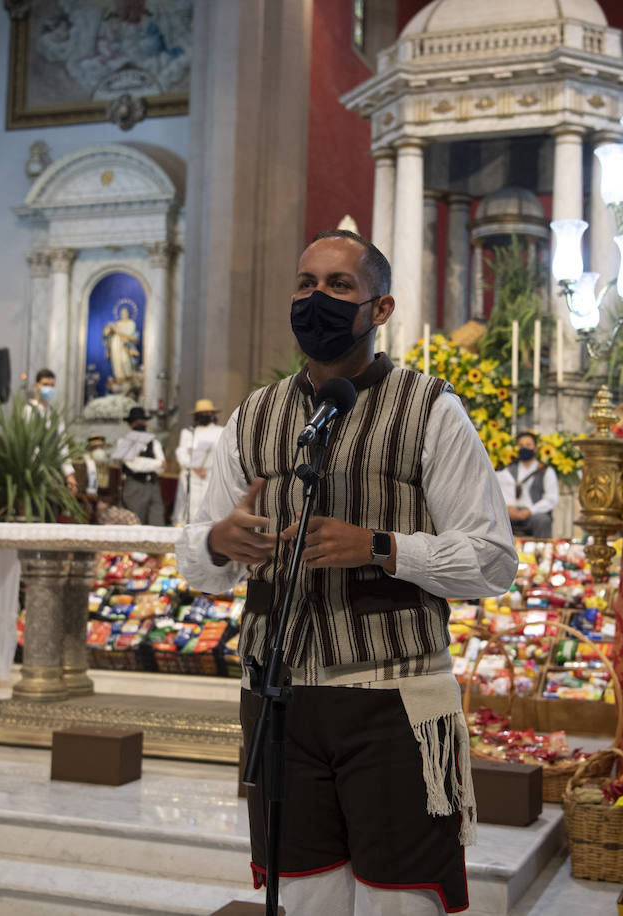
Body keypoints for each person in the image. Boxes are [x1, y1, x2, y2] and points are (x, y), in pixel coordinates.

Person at [177, 230, 516, 915]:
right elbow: (200, 566)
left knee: (400, 905)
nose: (316, 299)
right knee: (302, 901)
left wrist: (384, 548)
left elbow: (492, 560)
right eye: (306, 284)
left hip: (398, 700)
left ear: (380, 309)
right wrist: (218, 541)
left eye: (338, 287)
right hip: (280, 703)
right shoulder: (255, 416)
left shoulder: (430, 409)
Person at [497, 431, 559, 539]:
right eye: (521, 445)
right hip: (510, 513)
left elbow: (551, 499)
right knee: (494, 519)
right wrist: (508, 509)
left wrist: (529, 511)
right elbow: (500, 493)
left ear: (535, 448)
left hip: (533, 513)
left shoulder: (546, 471)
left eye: (528, 445)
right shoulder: (508, 470)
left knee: (543, 520)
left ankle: (543, 553)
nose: (524, 448)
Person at [26, 368, 78, 496]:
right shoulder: (28, 411)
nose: (49, 389)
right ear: (36, 386)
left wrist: (69, 475)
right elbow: (30, 446)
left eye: (52, 386)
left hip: (55, 473)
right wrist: (44, 474)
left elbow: (62, 447)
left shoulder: (56, 414)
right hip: (35, 474)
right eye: (45, 385)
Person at [173, 398, 224, 525]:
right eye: (202, 413)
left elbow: (221, 453)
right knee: (189, 507)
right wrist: (195, 467)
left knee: (208, 507)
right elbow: (182, 453)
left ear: (212, 415)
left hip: (211, 475)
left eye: (208, 413)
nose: (205, 416)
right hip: (191, 476)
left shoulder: (220, 431)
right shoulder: (188, 433)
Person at [113, 406, 165, 525]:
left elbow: (162, 466)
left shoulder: (154, 442)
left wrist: (153, 464)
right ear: (131, 425)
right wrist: (155, 463)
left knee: (157, 522)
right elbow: (134, 464)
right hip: (135, 485)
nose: (141, 424)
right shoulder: (124, 442)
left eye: (143, 421)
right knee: (135, 522)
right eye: (137, 422)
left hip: (153, 485)